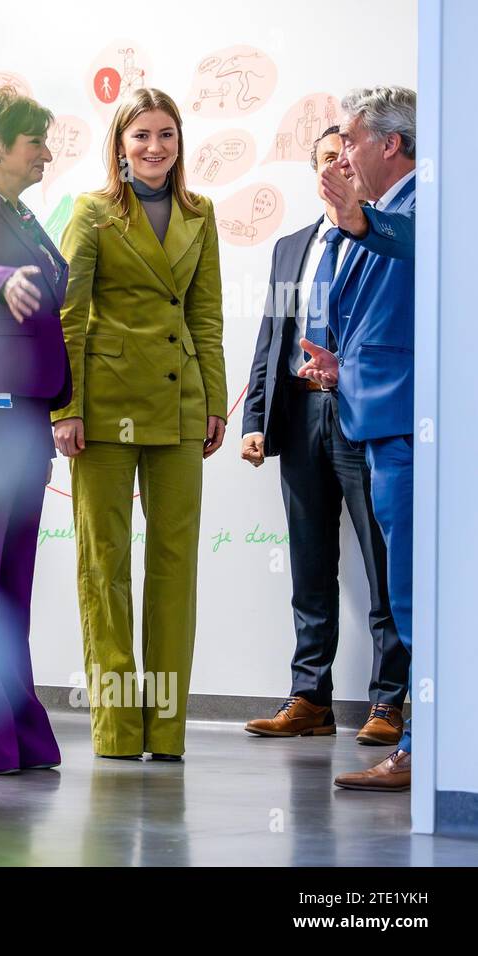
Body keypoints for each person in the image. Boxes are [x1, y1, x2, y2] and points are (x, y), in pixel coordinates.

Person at [53, 88, 226, 760]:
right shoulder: (92, 213)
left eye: (166, 136)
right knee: (105, 565)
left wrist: (213, 401)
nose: (154, 148)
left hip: (180, 402)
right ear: (119, 145)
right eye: (141, 137)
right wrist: (65, 408)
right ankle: (120, 729)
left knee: (175, 565)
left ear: (179, 144)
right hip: (103, 407)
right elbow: (69, 315)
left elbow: (205, 317)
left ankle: (167, 727)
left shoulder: (200, 211)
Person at [240, 126, 407, 744]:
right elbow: (270, 340)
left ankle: (389, 704)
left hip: (365, 411)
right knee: (309, 564)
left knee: (382, 561)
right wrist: (255, 420)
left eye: (347, 155)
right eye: (327, 158)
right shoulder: (290, 248)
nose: (339, 164)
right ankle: (309, 698)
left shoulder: (387, 238)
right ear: (316, 170)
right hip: (302, 412)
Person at [297, 87, 417, 792]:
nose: (341, 152)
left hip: (405, 429)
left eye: (350, 138)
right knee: (406, 596)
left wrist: (357, 219)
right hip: (373, 419)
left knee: (411, 596)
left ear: (389, 144)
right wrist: (341, 365)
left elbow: (414, 248)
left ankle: (426, 751)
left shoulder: (418, 205)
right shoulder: (380, 214)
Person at [0, 88, 72, 774]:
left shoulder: (22, 211)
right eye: (33, 139)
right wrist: (0, 279)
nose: (45, 151)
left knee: (15, 579)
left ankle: (17, 727)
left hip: (30, 411)